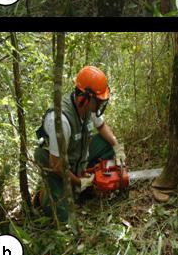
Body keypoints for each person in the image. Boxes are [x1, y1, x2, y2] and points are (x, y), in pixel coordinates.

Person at [33, 66, 126, 223]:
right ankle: (43, 196)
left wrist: (117, 148)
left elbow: (102, 127)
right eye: (99, 101)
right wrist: (82, 182)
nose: (101, 105)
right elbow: (57, 165)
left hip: (77, 153)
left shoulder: (88, 107)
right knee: (64, 218)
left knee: (107, 143)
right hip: (55, 163)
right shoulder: (61, 122)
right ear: (86, 98)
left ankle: (90, 176)